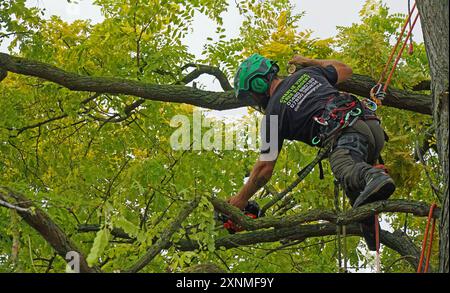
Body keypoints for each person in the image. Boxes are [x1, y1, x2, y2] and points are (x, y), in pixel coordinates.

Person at [227, 53, 396, 250]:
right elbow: (345, 70)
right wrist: (311, 62)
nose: (253, 101)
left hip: (347, 134)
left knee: (344, 168)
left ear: (258, 85)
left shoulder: (273, 113)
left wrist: (240, 199)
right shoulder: (309, 73)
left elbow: (264, 167)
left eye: (250, 95)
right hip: (371, 127)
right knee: (354, 187)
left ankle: (374, 176)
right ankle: (368, 220)